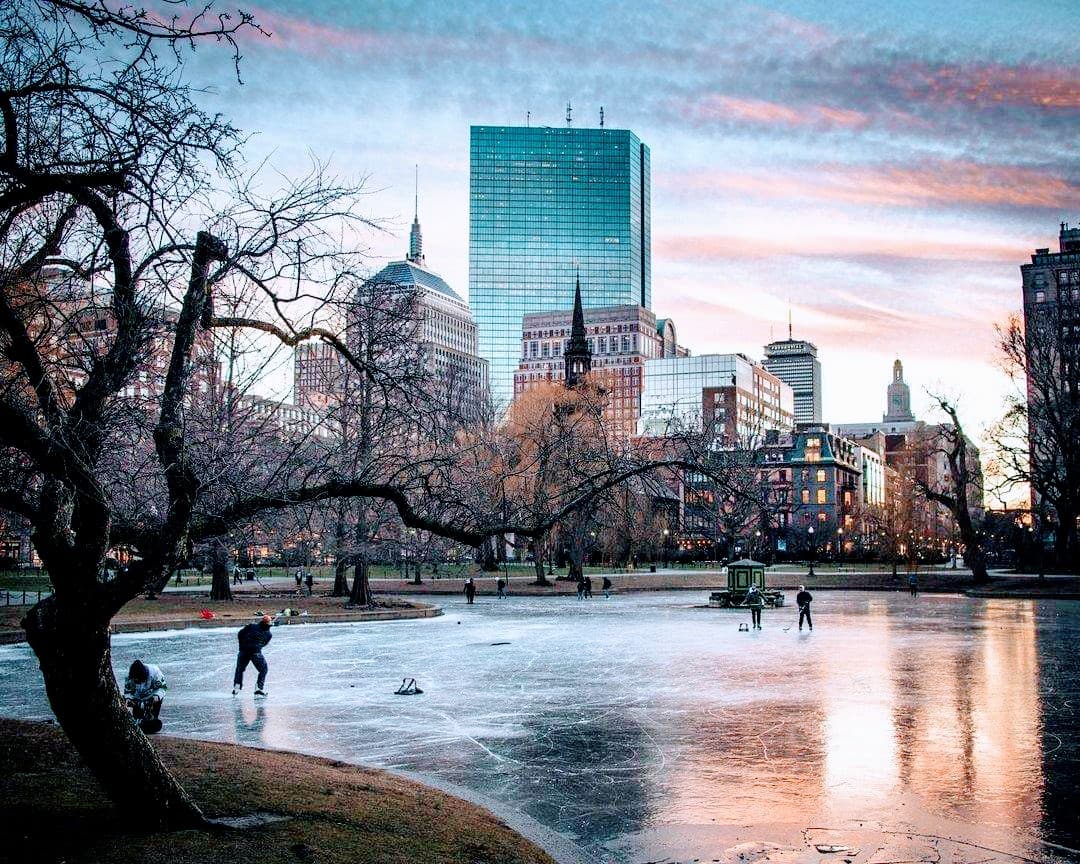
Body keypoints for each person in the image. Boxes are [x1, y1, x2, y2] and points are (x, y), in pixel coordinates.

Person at [233, 614, 273, 696]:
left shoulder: (251, 626)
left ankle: (236, 687)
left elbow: (240, 634)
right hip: (255, 653)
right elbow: (264, 643)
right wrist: (257, 647)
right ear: (269, 624)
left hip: (243, 651)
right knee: (264, 669)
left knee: (239, 669)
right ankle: (258, 688)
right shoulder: (268, 634)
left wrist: (242, 645)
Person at [124, 659, 167, 730]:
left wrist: (156, 697)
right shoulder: (129, 676)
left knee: (154, 722)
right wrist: (128, 699)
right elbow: (128, 692)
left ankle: (150, 720)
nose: (137, 681)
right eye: (135, 680)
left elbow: (162, 688)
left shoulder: (155, 672)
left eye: (138, 680)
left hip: (151, 697)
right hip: (137, 699)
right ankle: (139, 722)